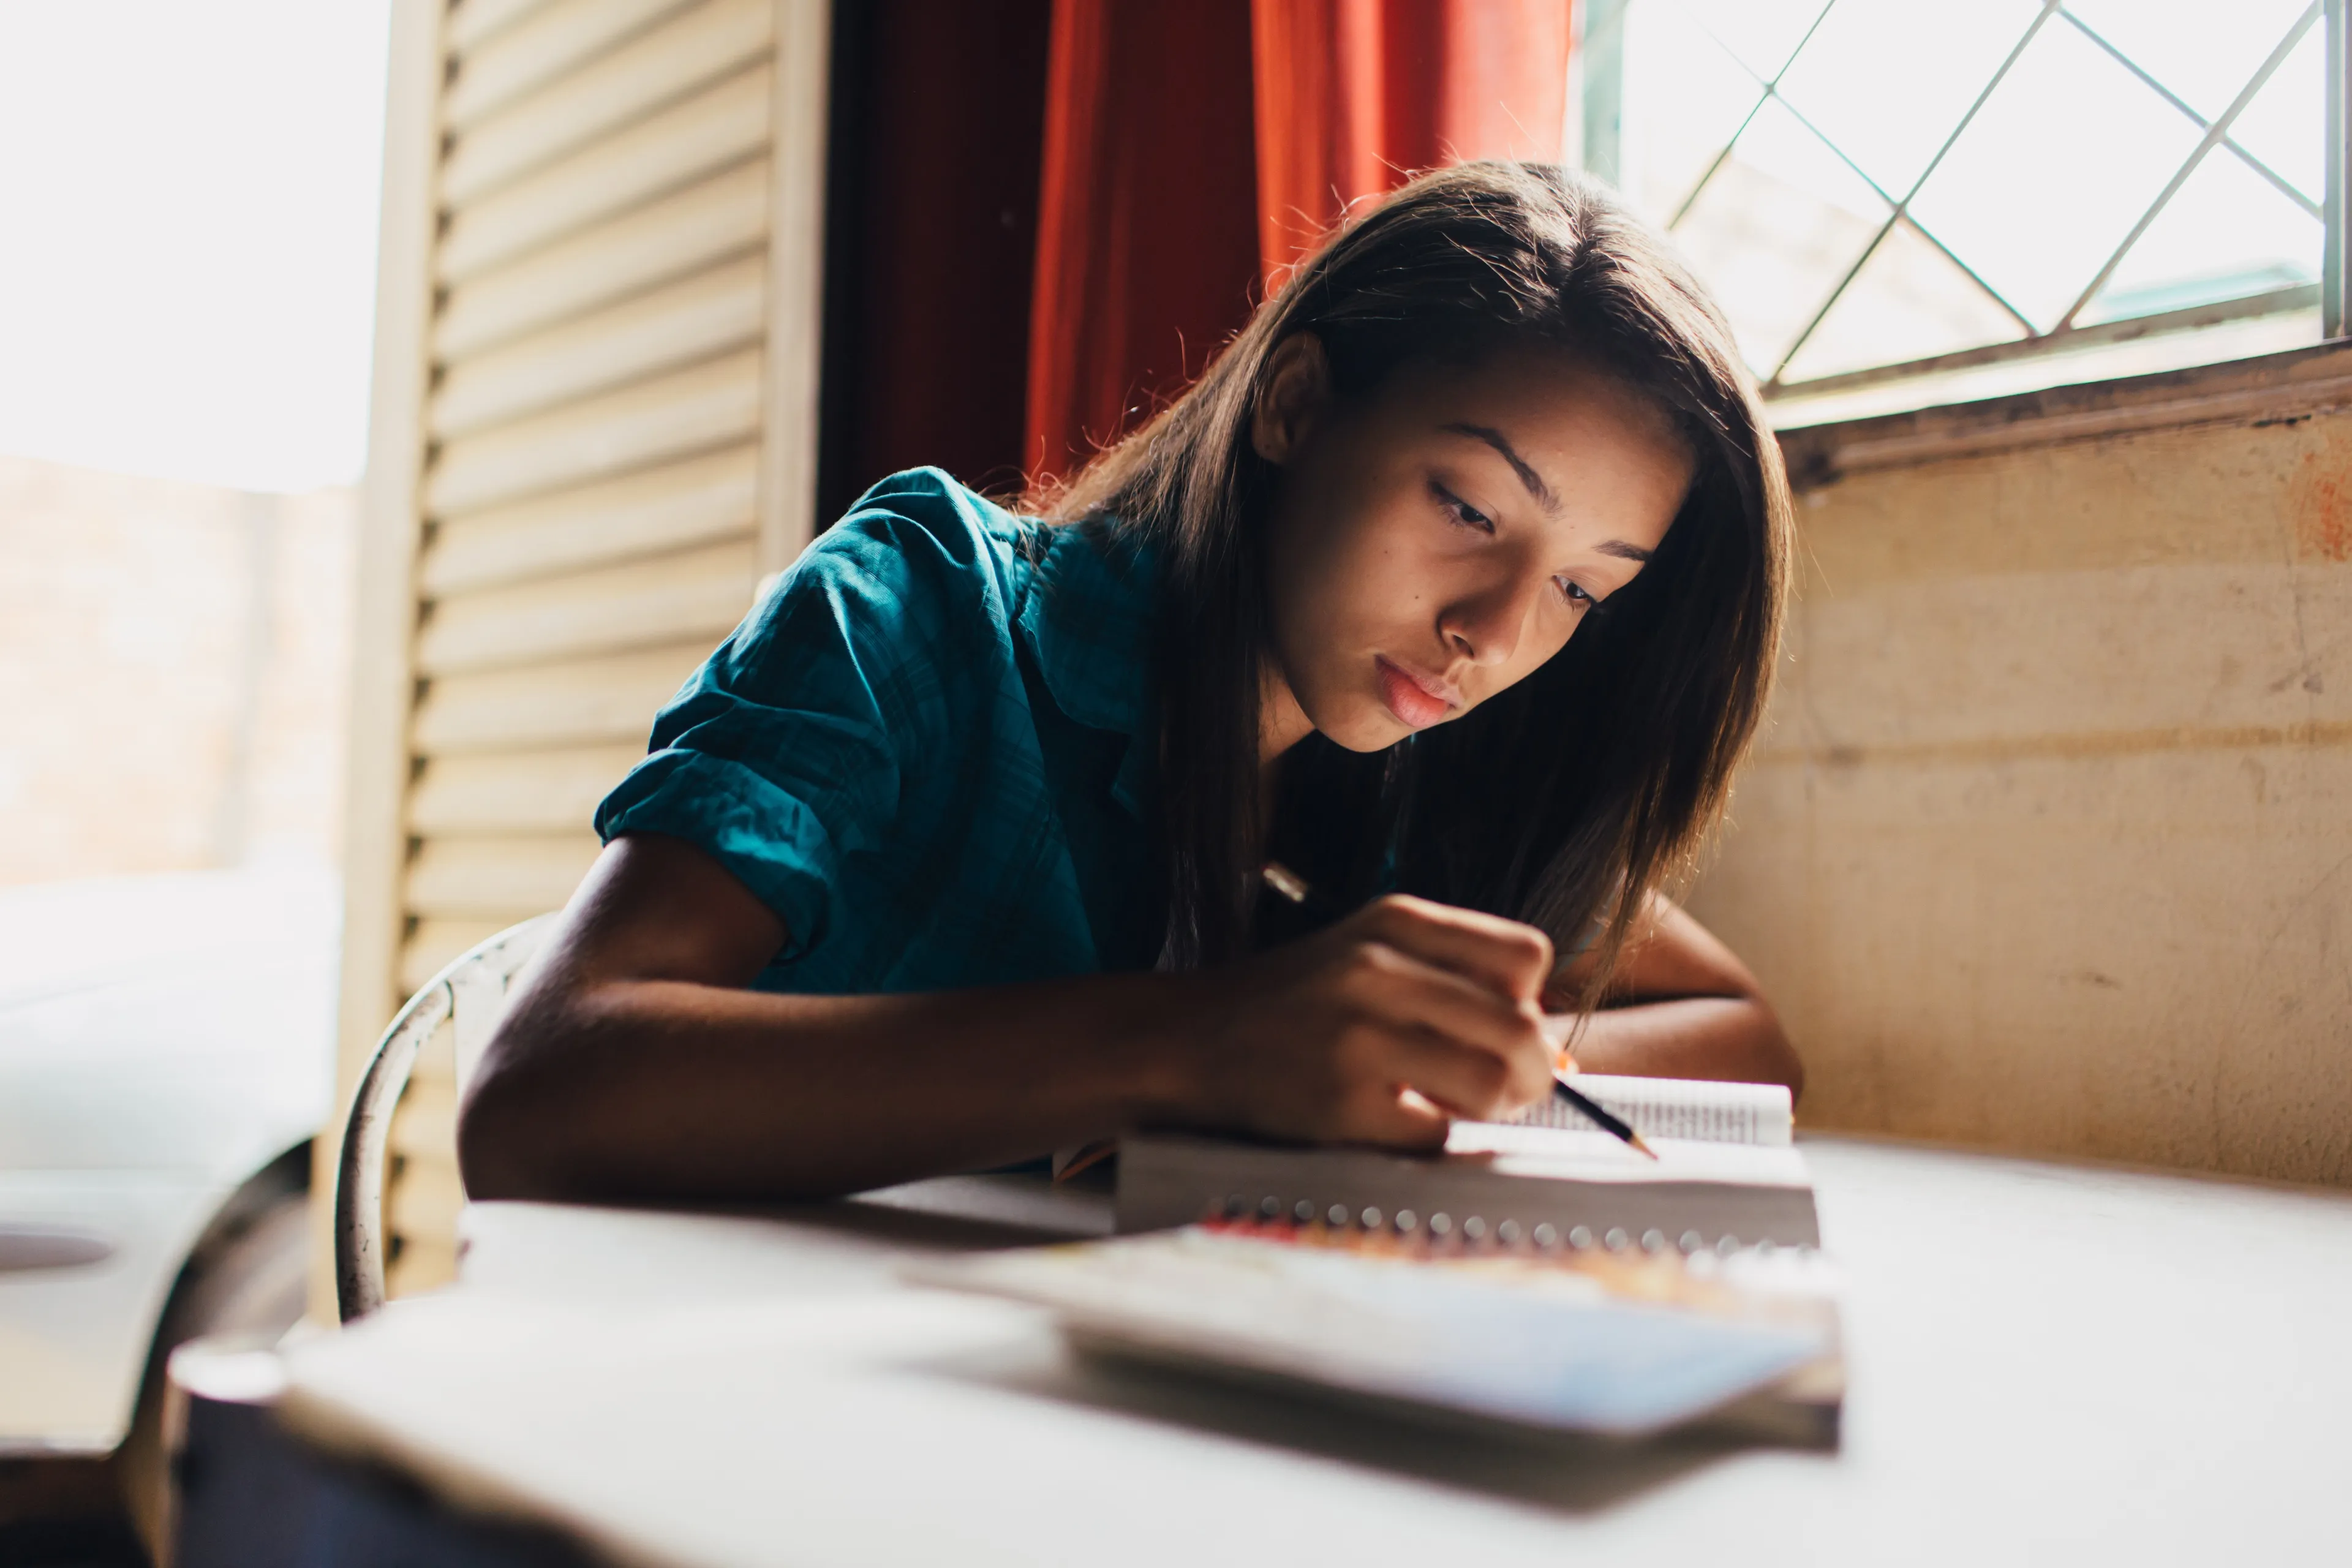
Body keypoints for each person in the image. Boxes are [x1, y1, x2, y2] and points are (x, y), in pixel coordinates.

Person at [458, 161, 1801, 1204]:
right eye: (1466, 505)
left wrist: (1444, 1063)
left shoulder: (1402, 774)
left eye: (1582, 589)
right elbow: (535, 1092)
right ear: (1295, 402)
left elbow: (1742, 1031)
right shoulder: (925, 604)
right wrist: (1204, 1043)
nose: (1493, 632)